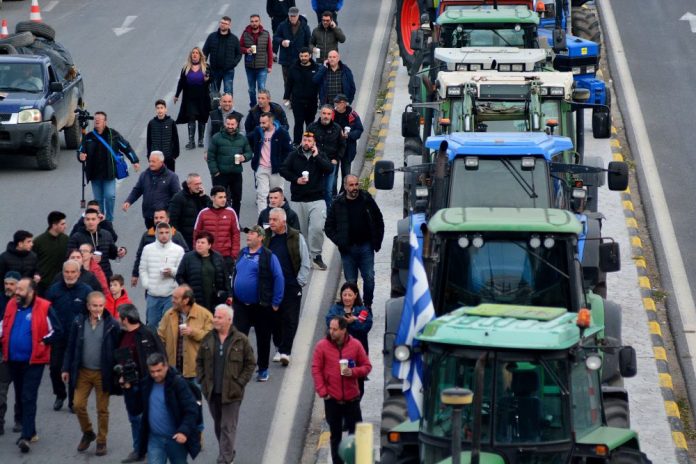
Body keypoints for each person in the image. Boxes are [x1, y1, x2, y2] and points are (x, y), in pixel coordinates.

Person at [0, 277, 62, 453]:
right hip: (13, 360)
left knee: (28, 396)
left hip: (34, 361)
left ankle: (25, 436)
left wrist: (43, 341)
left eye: (20, 289)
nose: (16, 292)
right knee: (20, 395)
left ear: (31, 291)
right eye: (16, 288)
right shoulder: (12, 304)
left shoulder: (44, 307)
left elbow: (58, 331)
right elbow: (4, 325)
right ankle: (31, 430)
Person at [61, 291, 120, 456]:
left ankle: (101, 441)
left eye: (101, 306)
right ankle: (88, 432)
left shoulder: (112, 325)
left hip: (103, 373)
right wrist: (65, 368)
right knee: (78, 404)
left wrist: (118, 372)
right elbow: (71, 347)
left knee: (102, 410)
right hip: (83, 372)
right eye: (94, 306)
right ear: (88, 306)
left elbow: (118, 349)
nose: (98, 309)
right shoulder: (79, 322)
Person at [197, 304, 255, 464]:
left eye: (219, 317)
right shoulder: (208, 338)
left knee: (227, 427)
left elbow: (250, 364)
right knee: (218, 425)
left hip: (232, 393)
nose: (215, 319)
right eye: (215, 316)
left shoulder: (240, 340)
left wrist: (240, 383)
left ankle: (225, 459)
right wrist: (203, 382)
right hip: (212, 392)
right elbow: (199, 362)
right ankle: (228, 451)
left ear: (229, 320)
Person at [311, 316, 371, 464]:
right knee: (335, 436)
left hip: (352, 399)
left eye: (335, 329)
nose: (331, 332)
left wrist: (354, 372)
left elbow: (367, 366)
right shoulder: (322, 346)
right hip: (332, 400)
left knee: (356, 435)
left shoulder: (355, 345)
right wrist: (323, 392)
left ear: (344, 330)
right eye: (330, 328)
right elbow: (316, 369)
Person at [122, 352, 201, 464]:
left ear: (166, 367)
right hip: (155, 439)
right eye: (152, 372)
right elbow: (135, 409)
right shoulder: (146, 383)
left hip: (176, 439)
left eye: (159, 370)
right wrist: (128, 390)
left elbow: (192, 410)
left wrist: (183, 431)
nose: (155, 375)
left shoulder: (178, 384)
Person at [232, 225, 284, 381]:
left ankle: (262, 369)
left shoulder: (268, 256)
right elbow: (236, 274)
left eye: (252, 234)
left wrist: (276, 301)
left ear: (261, 237)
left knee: (263, 338)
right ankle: (240, 367)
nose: (248, 236)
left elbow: (279, 278)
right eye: (248, 234)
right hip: (241, 305)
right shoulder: (243, 253)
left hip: (261, 305)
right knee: (239, 337)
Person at [325, 175, 385, 308]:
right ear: (345, 186)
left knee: (369, 278)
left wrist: (377, 241)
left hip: (366, 247)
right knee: (351, 282)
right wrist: (340, 241)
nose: (354, 188)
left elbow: (378, 219)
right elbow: (328, 227)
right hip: (348, 250)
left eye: (356, 184)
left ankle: (367, 305)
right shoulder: (337, 203)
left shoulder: (366, 199)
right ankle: (354, 307)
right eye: (351, 185)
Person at [116, 304, 166, 463]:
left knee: (151, 417)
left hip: (147, 383)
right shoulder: (121, 334)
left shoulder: (148, 332)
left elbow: (162, 355)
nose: (119, 319)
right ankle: (138, 450)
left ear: (125, 319)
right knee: (134, 418)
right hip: (129, 383)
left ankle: (154, 450)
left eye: (120, 317)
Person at [263, 208, 310, 366]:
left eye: (274, 220)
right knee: (274, 319)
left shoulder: (296, 237)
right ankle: (279, 345)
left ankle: (286, 351)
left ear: (283, 221)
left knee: (290, 319)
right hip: (272, 287)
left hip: (291, 285)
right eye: (270, 219)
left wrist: (300, 282)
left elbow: (305, 261)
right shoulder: (267, 236)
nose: (271, 222)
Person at [279, 131, 332, 270]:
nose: (306, 143)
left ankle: (316, 255)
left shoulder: (320, 155)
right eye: (304, 140)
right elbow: (283, 169)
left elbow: (329, 169)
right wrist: (296, 179)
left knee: (317, 228)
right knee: (299, 231)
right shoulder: (294, 155)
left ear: (314, 142)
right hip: (298, 199)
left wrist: (317, 156)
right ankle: (302, 257)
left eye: (309, 141)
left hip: (317, 198)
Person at [44, 260, 92, 412]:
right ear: (62, 272)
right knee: (55, 368)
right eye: (67, 272)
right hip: (58, 337)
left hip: (78, 338)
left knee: (74, 370)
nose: (70, 275)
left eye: (73, 272)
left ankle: (73, 400)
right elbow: (44, 313)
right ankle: (60, 394)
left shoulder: (86, 290)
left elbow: (93, 313)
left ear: (78, 273)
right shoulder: (53, 291)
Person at [78, 111, 141, 222]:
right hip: (94, 174)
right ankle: (101, 220)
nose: (97, 120)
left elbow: (126, 146)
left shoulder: (113, 135)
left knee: (110, 196)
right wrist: (80, 156)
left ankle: (109, 220)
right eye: (96, 119)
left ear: (105, 122)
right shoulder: (88, 137)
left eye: (100, 119)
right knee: (98, 200)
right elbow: (80, 151)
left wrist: (134, 160)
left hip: (109, 173)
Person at [324, 282, 372, 397]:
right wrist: (346, 321)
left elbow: (365, 327)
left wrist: (354, 321)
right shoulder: (335, 309)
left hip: (357, 354)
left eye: (350, 295)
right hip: (337, 352)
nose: (346, 298)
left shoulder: (363, 310)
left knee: (358, 384)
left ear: (355, 295)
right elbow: (329, 322)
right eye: (344, 295)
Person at [158, 285, 212, 385]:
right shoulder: (169, 315)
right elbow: (160, 337)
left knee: (194, 400)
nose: (172, 300)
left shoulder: (205, 315)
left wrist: (193, 332)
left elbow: (212, 339)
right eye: (172, 297)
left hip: (195, 370)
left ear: (186, 300)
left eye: (175, 298)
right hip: (174, 368)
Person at [139, 223, 185, 329]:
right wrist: (147, 284)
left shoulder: (178, 250)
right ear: (156, 234)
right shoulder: (147, 249)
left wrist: (172, 271)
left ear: (170, 233)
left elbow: (182, 271)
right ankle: (154, 346)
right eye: (161, 233)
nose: (164, 235)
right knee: (151, 325)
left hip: (170, 295)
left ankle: (167, 346)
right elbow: (142, 269)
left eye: (166, 232)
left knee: (169, 326)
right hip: (153, 295)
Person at [207, 115, 253, 217]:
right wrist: (215, 172)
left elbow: (249, 153)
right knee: (219, 199)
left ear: (237, 125)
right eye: (228, 124)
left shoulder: (242, 139)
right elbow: (211, 157)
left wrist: (244, 157)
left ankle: (235, 220)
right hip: (220, 174)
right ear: (224, 124)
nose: (230, 126)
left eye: (232, 124)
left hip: (236, 174)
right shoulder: (216, 137)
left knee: (237, 199)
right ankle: (219, 219)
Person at [131, 209, 189, 288]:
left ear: (167, 220)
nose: (158, 220)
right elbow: (140, 256)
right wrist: (135, 274)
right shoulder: (147, 235)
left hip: (171, 281)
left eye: (161, 217)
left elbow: (186, 255)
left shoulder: (176, 235)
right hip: (153, 280)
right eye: (156, 218)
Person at [249, 112, 293, 214]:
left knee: (276, 196)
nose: (261, 125)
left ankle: (278, 217)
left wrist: (283, 165)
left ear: (271, 122)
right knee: (262, 195)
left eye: (264, 123)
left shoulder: (281, 132)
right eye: (260, 123)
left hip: (276, 169)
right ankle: (263, 220)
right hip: (261, 167)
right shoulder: (258, 131)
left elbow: (289, 150)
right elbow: (248, 141)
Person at [123, 151, 181, 229]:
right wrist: (129, 201)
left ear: (161, 162)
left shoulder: (172, 177)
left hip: (163, 218)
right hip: (149, 216)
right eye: (150, 161)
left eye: (153, 161)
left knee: (163, 238)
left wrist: (169, 213)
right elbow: (137, 190)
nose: (150, 164)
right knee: (150, 238)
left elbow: (177, 197)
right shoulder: (144, 175)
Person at [176, 231, 230, 313]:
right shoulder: (188, 258)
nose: (199, 244)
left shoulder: (218, 257)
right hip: (195, 299)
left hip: (215, 300)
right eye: (198, 242)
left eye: (202, 242)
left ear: (209, 245)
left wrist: (229, 294)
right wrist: (187, 290)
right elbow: (179, 276)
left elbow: (225, 277)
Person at [194, 186, 241, 276]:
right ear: (212, 198)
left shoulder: (231, 212)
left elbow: (236, 234)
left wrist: (233, 256)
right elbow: (196, 234)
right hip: (207, 256)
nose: (224, 200)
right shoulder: (203, 213)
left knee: (225, 285)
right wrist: (197, 253)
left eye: (224, 197)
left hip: (226, 257)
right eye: (220, 197)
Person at [67, 208, 126, 279]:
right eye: (88, 219)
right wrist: (88, 258)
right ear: (84, 221)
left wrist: (120, 251)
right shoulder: (76, 237)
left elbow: (112, 254)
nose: (90, 222)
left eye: (93, 219)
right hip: (85, 278)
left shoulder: (106, 234)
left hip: (105, 276)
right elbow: (69, 258)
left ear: (98, 220)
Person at [308, 105, 346, 207]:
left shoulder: (337, 129)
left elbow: (342, 145)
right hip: (316, 162)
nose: (326, 116)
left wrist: (337, 159)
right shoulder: (312, 127)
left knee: (329, 190)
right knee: (314, 188)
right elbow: (306, 143)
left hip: (331, 163)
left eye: (328, 114)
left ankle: (329, 214)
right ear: (320, 114)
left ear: (332, 115)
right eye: (324, 113)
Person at [174, 47, 212, 150]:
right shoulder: (186, 68)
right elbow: (181, 82)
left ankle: (200, 140)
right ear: (191, 56)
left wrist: (207, 79)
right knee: (191, 117)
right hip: (189, 97)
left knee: (202, 118)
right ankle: (191, 141)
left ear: (200, 56)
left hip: (202, 97)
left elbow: (212, 80)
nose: (194, 55)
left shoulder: (206, 67)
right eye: (193, 53)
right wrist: (176, 95)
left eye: (197, 53)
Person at [273, 7, 311, 99]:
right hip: (286, 58)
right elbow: (276, 37)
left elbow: (308, 41)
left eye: (294, 16)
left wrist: (308, 55)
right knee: (287, 80)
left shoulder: (304, 26)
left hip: (300, 58)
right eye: (290, 16)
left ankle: (298, 98)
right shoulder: (282, 25)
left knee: (299, 80)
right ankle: (289, 98)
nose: (292, 18)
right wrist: (282, 41)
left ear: (298, 16)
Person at [284, 47, 320, 144]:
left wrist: (322, 99)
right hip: (297, 101)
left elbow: (320, 85)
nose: (303, 58)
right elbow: (289, 84)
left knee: (310, 124)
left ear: (310, 56)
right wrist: (286, 97)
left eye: (305, 56)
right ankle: (296, 143)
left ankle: (309, 143)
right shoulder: (293, 68)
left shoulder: (316, 68)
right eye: (301, 56)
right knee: (298, 123)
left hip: (312, 102)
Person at [0, 271, 20, 436]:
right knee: (1, 390)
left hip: (21, 354)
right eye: (6, 283)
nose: (8, 287)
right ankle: (0, 422)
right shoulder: (0, 300)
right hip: (4, 354)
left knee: (21, 391)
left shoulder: (25, 301)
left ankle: (19, 420)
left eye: (12, 284)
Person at [169, 173, 211, 249]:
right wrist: (178, 238)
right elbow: (173, 221)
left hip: (201, 237)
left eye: (200, 183)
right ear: (189, 185)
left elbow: (212, 210)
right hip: (185, 239)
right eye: (196, 184)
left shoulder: (202, 196)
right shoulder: (178, 198)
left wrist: (204, 197)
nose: (199, 186)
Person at [203, 15, 242, 96]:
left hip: (228, 71)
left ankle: (228, 108)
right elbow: (204, 52)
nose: (223, 24)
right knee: (214, 93)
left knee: (228, 93)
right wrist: (204, 67)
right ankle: (214, 108)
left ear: (229, 25)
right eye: (221, 22)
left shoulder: (234, 39)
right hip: (214, 70)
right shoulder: (212, 37)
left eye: (225, 23)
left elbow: (239, 54)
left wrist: (233, 64)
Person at [240, 14, 273, 108]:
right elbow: (239, 47)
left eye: (256, 21)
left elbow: (269, 51)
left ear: (259, 22)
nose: (254, 23)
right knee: (251, 89)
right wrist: (246, 50)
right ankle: (254, 106)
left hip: (262, 66)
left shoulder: (266, 34)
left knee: (261, 88)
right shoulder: (245, 33)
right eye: (252, 21)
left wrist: (270, 66)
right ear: (250, 22)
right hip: (249, 67)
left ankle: (261, 106)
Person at [33, 211, 68, 295]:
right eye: (62, 224)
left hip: (62, 283)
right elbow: (32, 261)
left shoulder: (66, 239)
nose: (65, 226)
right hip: (43, 285)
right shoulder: (39, 242)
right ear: (54, 225)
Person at [333, 94, 364, 182]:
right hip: (334, 149)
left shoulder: (353, 115)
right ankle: (333, 194)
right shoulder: (332, 114)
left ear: (345, 104)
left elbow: (359, 130)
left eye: (339, 103)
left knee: (346, 174)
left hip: (348, 149)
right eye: (336, 103)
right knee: (333, 175)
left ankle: (344, 193)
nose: (336, 105)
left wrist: (349, 135)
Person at [204, 93, 244, 160]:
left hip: (233, 152)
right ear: (220, 102)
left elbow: (243, 133)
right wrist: (206, 151)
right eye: (224, 101)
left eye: (229, 101)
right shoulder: (212, 115)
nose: (227, 104)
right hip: (216, 151)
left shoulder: (239, 116)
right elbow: (208, 133)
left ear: (232, 102)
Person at [147, 99, 180, 171]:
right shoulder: (151, 123)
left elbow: (175, 139)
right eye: (158, 108)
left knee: (170, 179)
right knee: (156, 180)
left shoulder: (171, 122)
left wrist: (175, 155)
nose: (160, 110)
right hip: (156, 158)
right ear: (156, 110)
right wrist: (149, 155)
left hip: (168, 157)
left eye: (161, 108)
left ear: (165, 109)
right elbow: (149, 141)